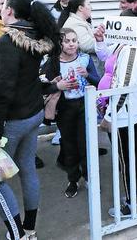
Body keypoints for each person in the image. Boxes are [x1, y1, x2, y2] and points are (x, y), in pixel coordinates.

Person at [0, 0, 59, 240]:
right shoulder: (35, 36)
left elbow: (1, 90)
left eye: (4, 5)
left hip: (14, 121)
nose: (1, 9)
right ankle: (30, 229)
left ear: (10, 12)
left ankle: (17, 234)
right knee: (27, 168)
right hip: (34, 114)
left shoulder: (9, 41)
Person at [94, 8, 137, 217]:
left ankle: (132, 205)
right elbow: (106, 56)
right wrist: (101, 41)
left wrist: (109, 118)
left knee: (126, 161)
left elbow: (123, 88)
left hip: (123, 116)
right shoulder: (129, 46)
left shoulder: (132, 51)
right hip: (130, 113)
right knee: (135, 157)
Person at [40, 28, 99, 198]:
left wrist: (87, 75)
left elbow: (99, 82)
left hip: (84, 106)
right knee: (69, 145)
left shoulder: (85, 59)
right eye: (67, 41)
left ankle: (89, 177)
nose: (72, 44)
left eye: (74, 40)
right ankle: (73, 180)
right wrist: (58, 86)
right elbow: (41, 85)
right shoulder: (52, 62)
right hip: (64, 108)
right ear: (60, 44)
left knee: (85, 144)